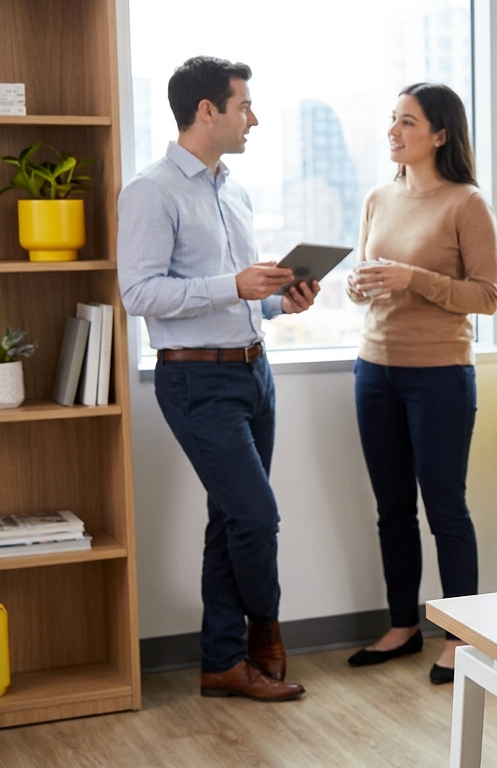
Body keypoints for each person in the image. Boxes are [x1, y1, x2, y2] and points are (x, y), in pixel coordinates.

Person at [119, 56, 319, 702]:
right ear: (207, 111)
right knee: (256, 518)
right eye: (244, 106)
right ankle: (264, 627)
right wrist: (232, 285)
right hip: (195, 381)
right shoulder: (150, 190)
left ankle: (221, 663)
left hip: (254, 373)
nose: (252, 118)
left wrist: (275, 300)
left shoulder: (233, 189)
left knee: (231, 520)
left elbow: (235, 298)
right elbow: (140, 292)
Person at [342, 83, 497, 685]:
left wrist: (414, 277)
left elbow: (486, 296)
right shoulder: (379, 197)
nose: (393, 131)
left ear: (439, 134)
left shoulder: (466, 204)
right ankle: (402, 624)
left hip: (439, 375)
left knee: (446, 509)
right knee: (391, 509)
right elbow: (367, 275)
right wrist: (361, 286)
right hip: (374, 368)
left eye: (406, 122)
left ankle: (461, 637)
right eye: (392, 120)